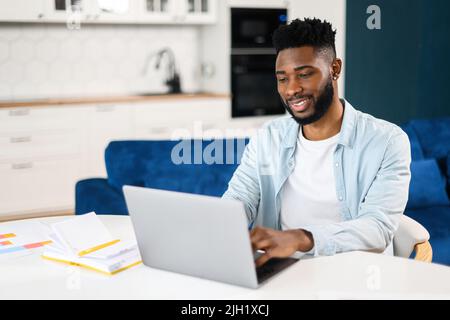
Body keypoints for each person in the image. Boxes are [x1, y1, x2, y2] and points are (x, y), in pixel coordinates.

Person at [222, 18, 411, 267]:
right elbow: (239, 198)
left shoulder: (387, 142)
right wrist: (213, 228)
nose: (292, 90)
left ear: (334, 69)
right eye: (283, 79)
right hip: (278, 273)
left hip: (354, 274)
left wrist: (301, 238)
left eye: (304, 74)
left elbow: (377, 228)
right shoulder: (268, 137)